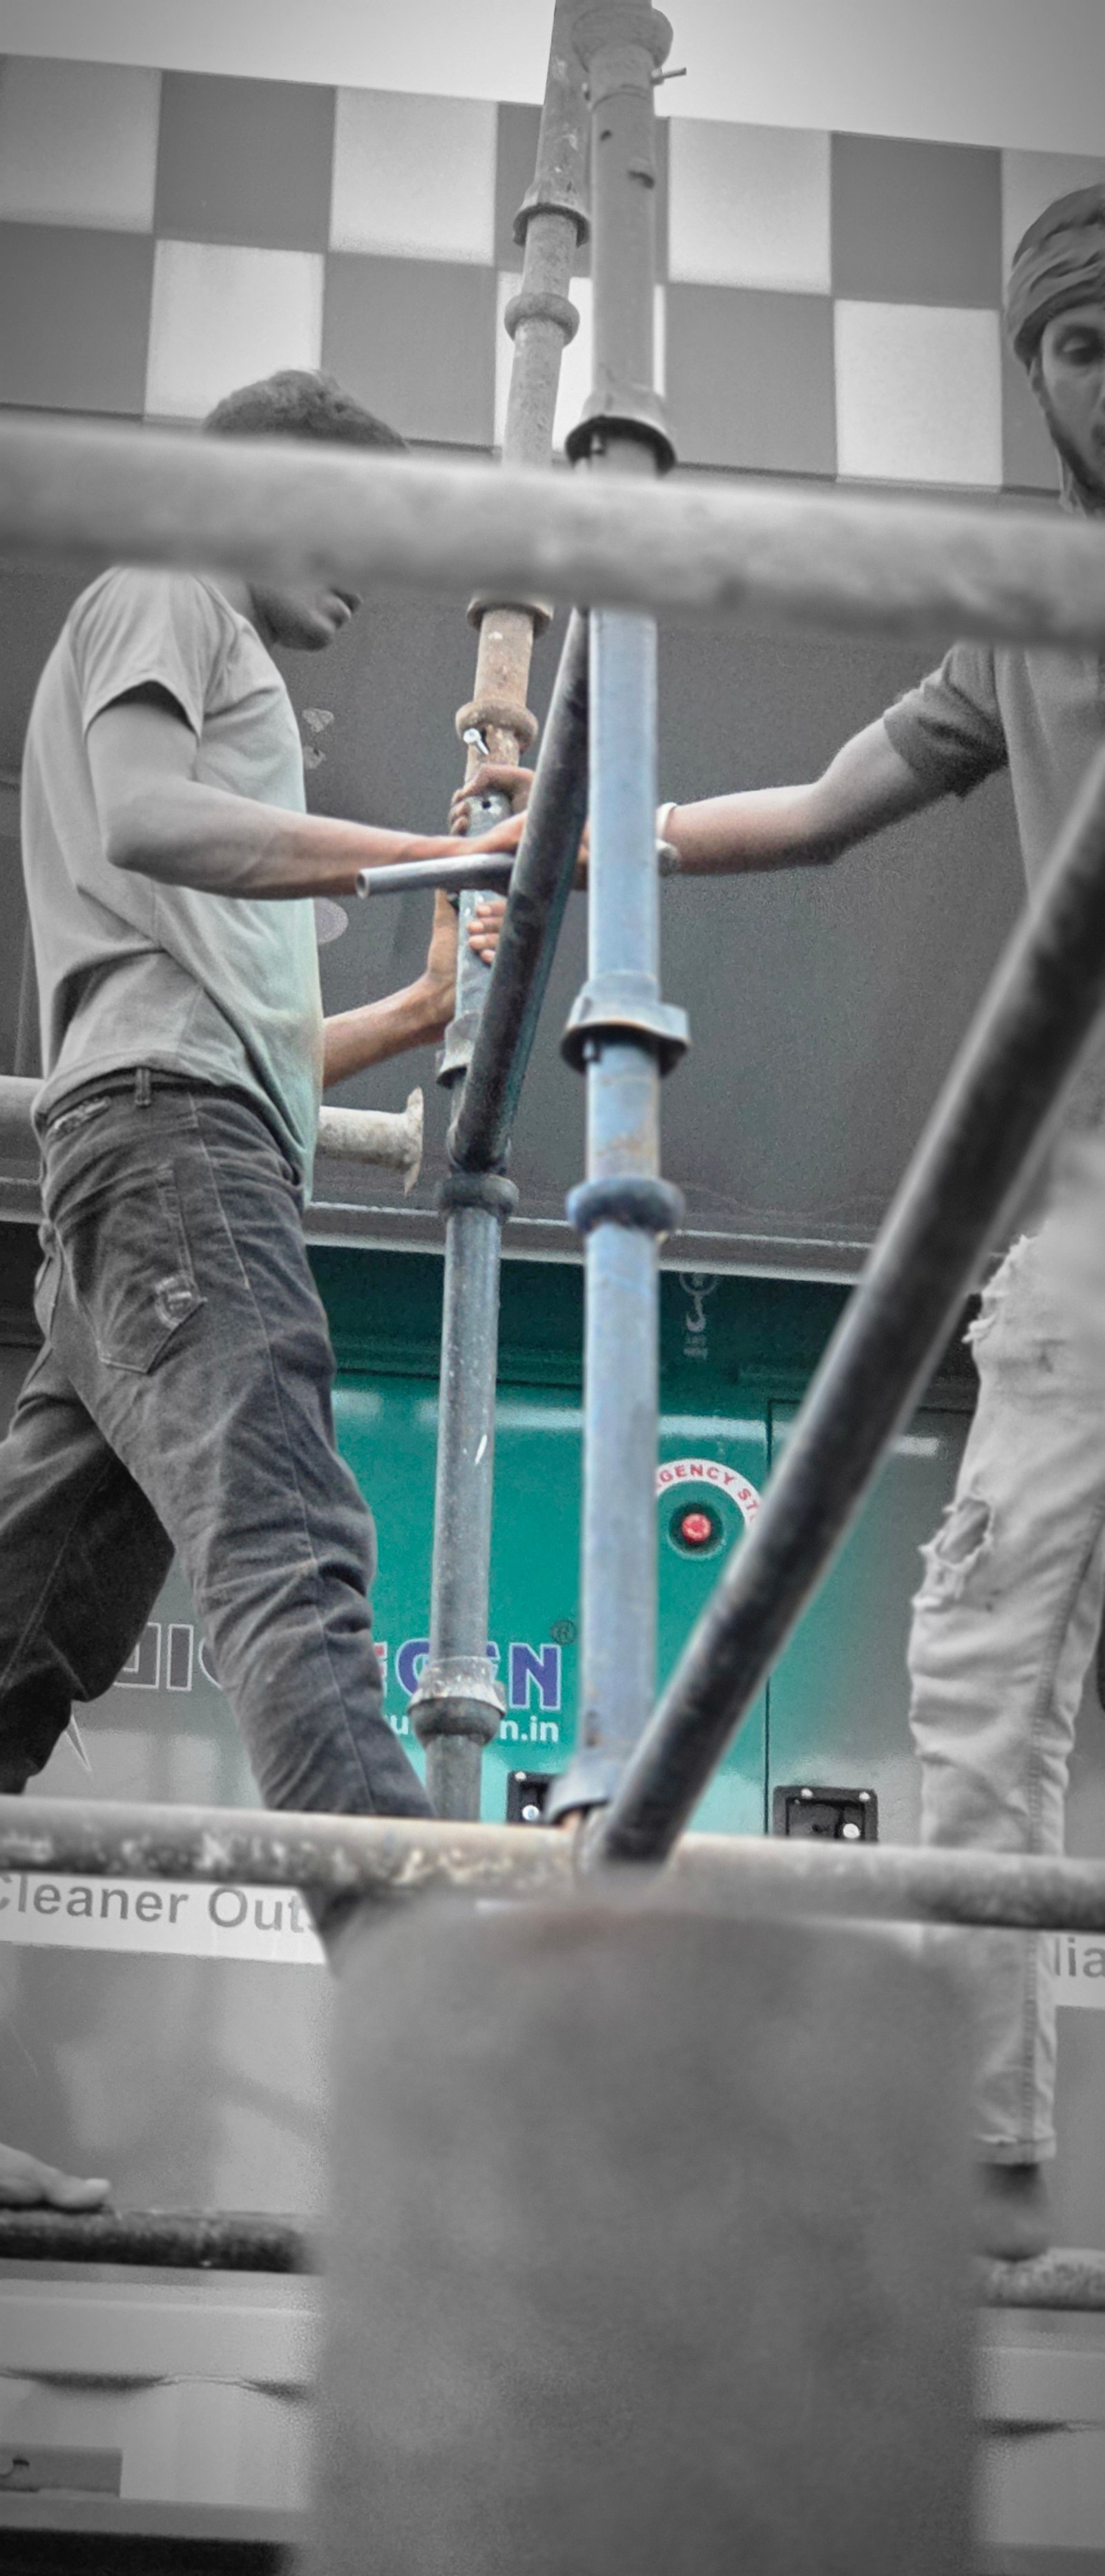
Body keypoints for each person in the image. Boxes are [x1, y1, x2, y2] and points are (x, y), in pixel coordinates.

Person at [460, 188, 1105, 2260]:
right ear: (1034, 377)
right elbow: (829, 805)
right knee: (981, 1654)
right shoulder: (1016, 605)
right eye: (1076, 348)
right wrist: (605, 838)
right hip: (1087, 1218)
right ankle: (986, 2150)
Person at [0, 367, 510, 2200]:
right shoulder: (172, 583)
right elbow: (150, 817)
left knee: (11, 1659)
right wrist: (438, 849)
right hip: (176, 1170)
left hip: (133, 1176)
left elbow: (245, 1029)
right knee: (293, 1564)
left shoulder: (198, 641)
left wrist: (421, 1003)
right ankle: (470, 2060)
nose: (371, 579)